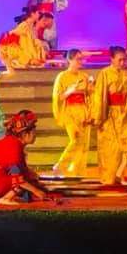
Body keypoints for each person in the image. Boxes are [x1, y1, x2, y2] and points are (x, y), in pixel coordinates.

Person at [92, 45, 127, 185]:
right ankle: (109, 176)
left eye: (124, 60)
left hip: (123, 113)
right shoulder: (105, 73)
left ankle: (120, 173)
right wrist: (98, 116)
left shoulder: (126, 73)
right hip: (109, 114)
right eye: (120, 60)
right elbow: (99, 95)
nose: (122, 63)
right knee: (111, 148)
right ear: (112, 59)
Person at [51, 49, 93, 177]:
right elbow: (58, 97)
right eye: (78, 59)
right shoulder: (62, 76)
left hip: (83, 111)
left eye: (81, 59)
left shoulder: (84, 76)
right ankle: (61, 165)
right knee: (75, 140)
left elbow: (90, 95)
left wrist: (91, 86)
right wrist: (70, 91)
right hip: (70, 111)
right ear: (70, 60)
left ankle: (77, 172)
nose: (81, 61)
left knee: (84, 144)